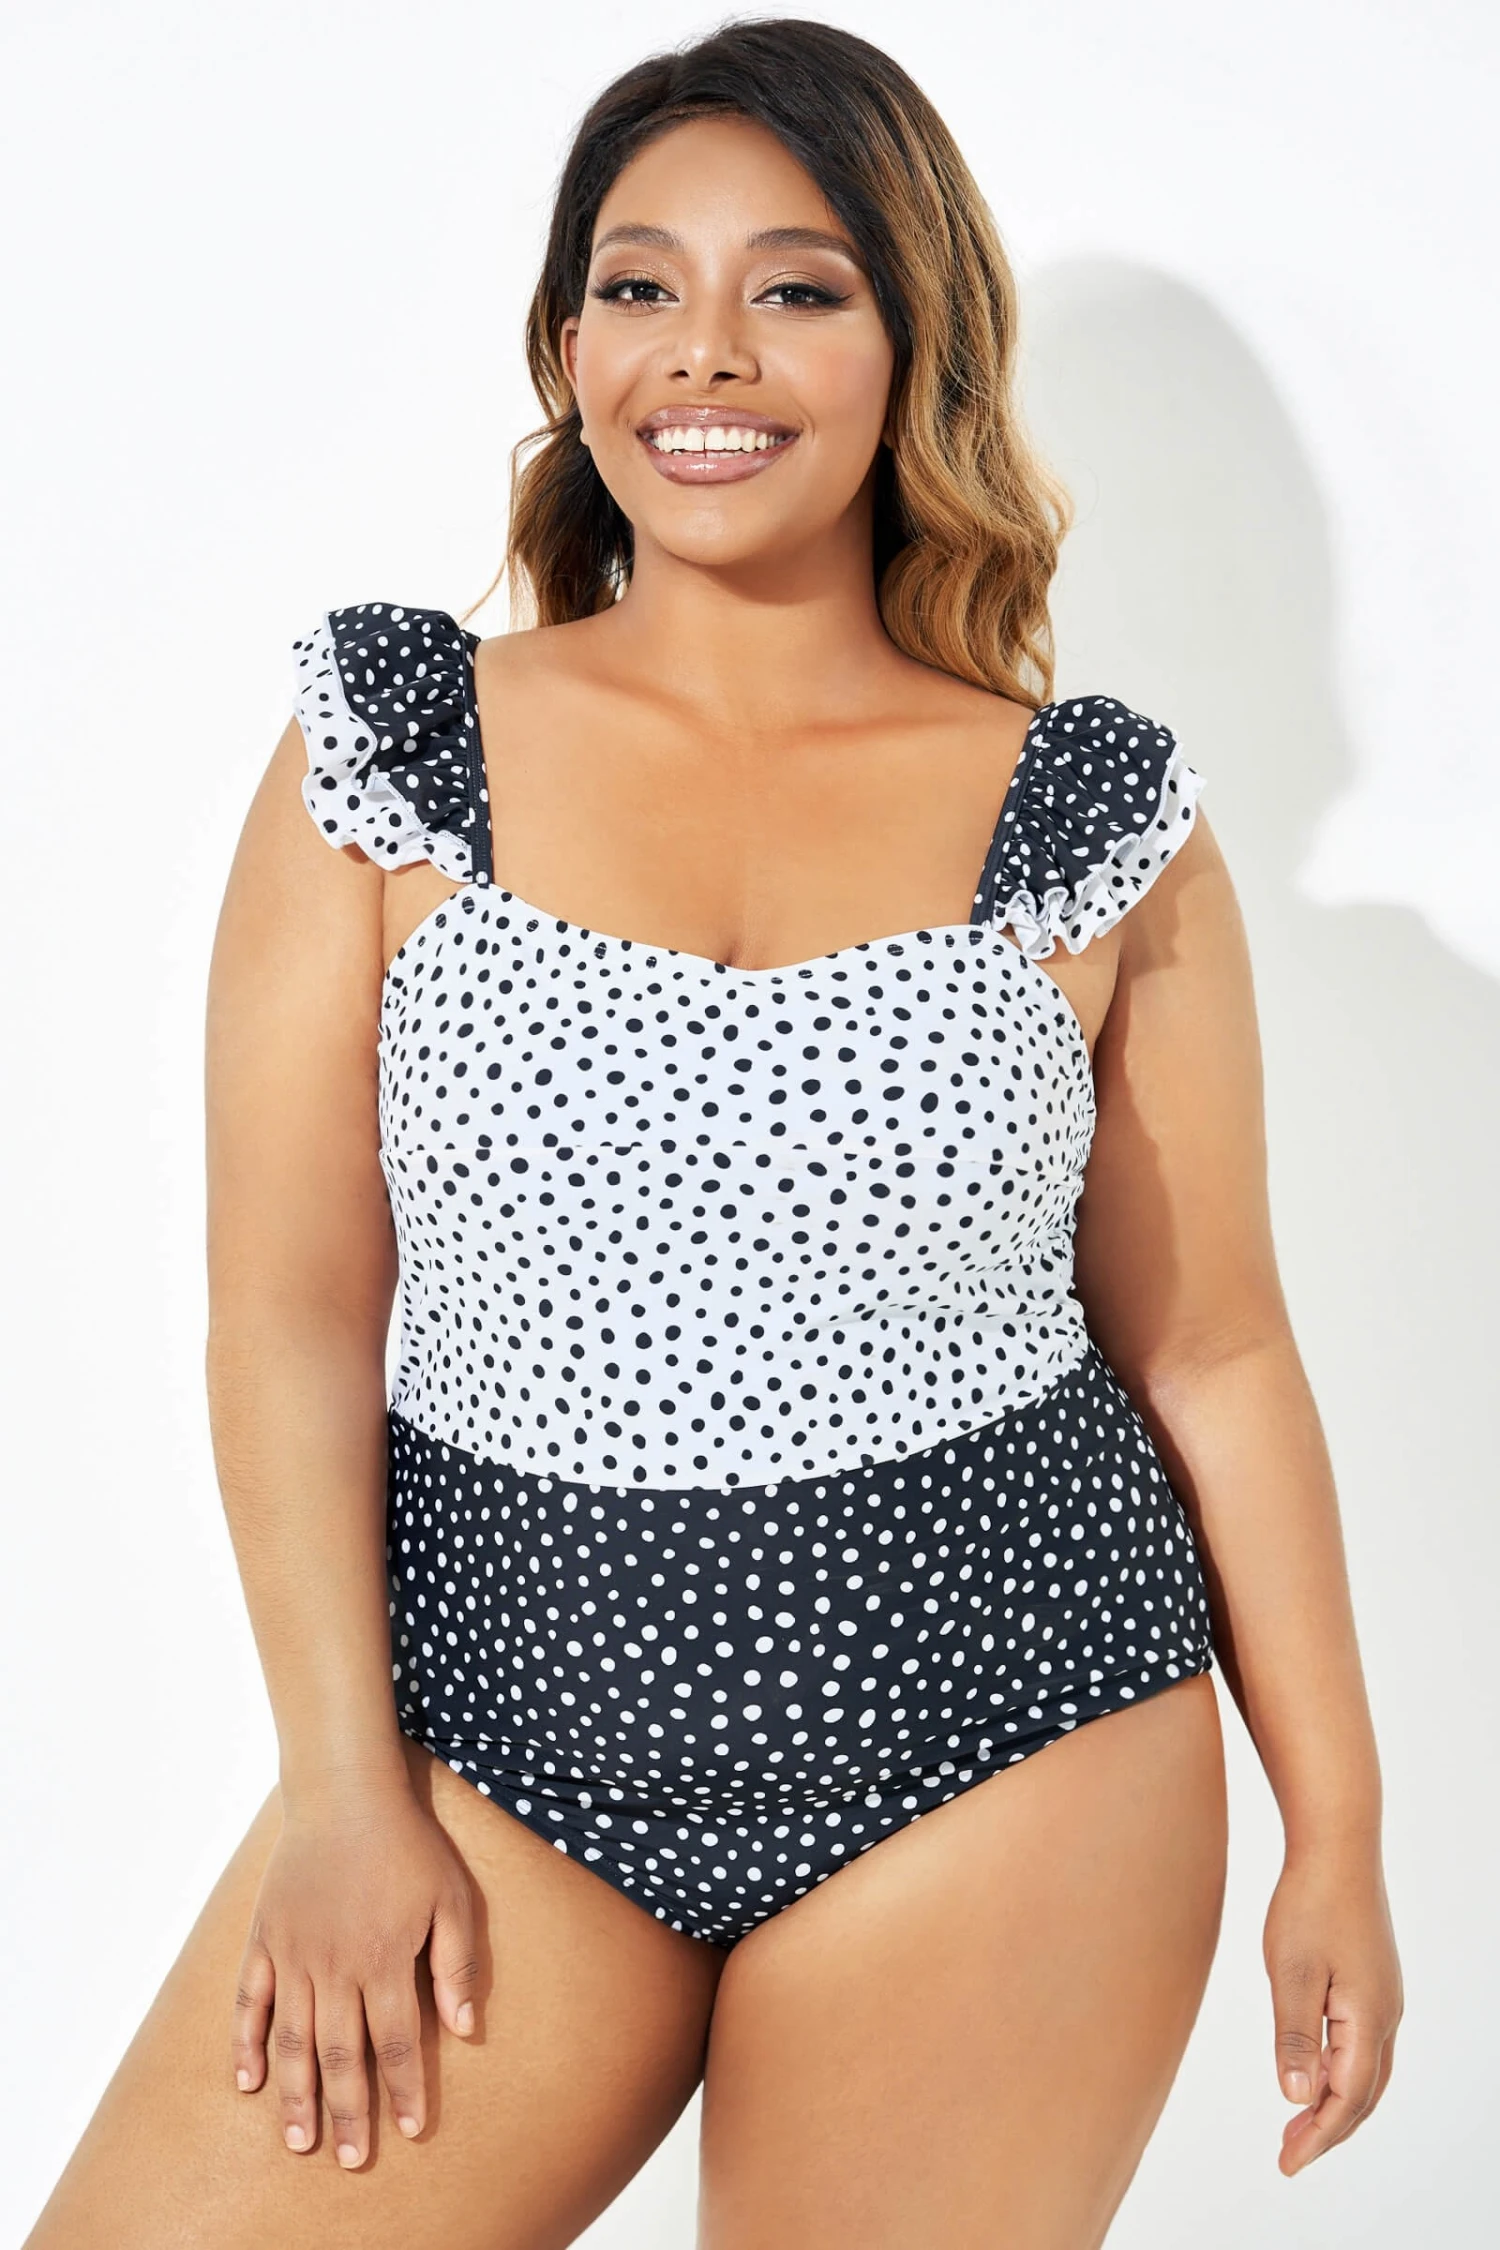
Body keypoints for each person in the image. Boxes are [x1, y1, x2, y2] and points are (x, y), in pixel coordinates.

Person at [25, 18, 1402, 2247]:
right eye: (641, 285)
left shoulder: (1092, 817)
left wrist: (1338, 1828)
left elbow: (1216, 1351)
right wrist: (340, 1787)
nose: (708, 353)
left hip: (1013, 1723)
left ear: (912, 343)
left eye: (799, 287)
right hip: (500, 1734)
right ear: (568, 347)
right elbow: (285, 1317)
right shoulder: (394, 749)